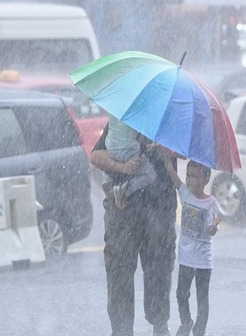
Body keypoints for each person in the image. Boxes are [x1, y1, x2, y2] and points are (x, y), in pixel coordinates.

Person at [91, 123, 177, 336]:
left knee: (159, 268)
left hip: (160, 207)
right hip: (123, 208)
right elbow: (96, 155)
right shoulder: (125, 116)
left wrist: (165, 152)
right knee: (119, 272)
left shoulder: (171, 119)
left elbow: (186, 155)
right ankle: (121, 331)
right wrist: (122, 167)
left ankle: (160, 325)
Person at [164, 158, 221, 336]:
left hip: (203, 260)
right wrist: (166, 160)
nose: (189, 180)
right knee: (181, 293)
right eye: (188, 175)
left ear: (206, 178)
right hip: (186, 258)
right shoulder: (185, 194)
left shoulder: (211, 203)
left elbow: (211, 231)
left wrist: (212, 228)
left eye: (194, 176)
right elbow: (174, 178)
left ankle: (199, 330)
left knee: (202, 298)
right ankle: (186, 321)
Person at [104, 115, 155, 209]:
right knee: (150, 174)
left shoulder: (116, 112)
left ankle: (107, 180)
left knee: (109, 160)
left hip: (111, 147)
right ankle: (124, 190)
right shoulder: (138, 117)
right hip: (130, 150)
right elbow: (139, 136)